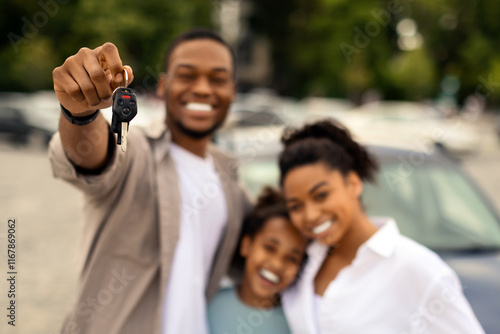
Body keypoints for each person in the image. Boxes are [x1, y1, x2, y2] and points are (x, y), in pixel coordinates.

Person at [49, 29, 252, 334]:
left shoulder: (231, 181)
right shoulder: (135, 151)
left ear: (233, 90)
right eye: (187, 75)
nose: (202, 88)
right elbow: (93, 159)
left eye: (217, 78)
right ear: (163, 86)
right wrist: (80, 115)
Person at [277, 119, 485, 333]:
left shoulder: (419, 270)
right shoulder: (303, 261)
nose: (310, 215)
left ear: (353, 184)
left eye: (321, 195)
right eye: (296, 206)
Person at [207, 187, 307, 334]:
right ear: (246, 245)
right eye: (269, 248)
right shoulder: (209, 304)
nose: (277, 264)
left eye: (292, 258)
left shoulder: (299, 322)